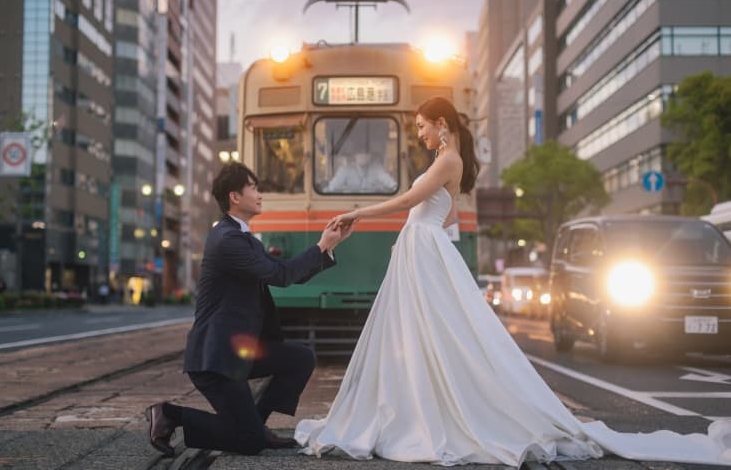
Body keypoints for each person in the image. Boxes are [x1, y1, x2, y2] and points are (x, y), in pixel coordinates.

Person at [294, 96, 731, 466]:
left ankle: (421, 410)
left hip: (422, 251)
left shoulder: (447, 159)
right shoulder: (449, 160)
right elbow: (446, 214)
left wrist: (358, 213)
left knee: (427, 331)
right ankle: (428, 406)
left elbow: (412, 199)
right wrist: (414, 230)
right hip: (422, 249)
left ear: (441, 124)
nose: (421, 134)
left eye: (423, 127)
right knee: (433, 332)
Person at [145, 162, 352, 457]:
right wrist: (320, 246)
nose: (259, 193)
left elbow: (282, 271)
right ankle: (170, 415)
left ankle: (256, 424)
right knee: (247, 441)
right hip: (215, 360)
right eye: (253, 187)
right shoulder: (228, 240)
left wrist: (329, 247)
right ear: (235, 196)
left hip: (237, 352)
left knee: (300, 358)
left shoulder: (241, 237)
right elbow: (281, 276)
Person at [326, 152, 397, 193]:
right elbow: (333, 187)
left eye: (366, 153)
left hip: (372, 203)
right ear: (355, 155)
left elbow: (390, 182)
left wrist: (394, 187)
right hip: (350, 202)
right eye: (360, 153)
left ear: (370, 156)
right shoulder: (345, 170)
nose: (363, 156)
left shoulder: (377, 169)